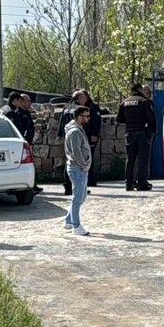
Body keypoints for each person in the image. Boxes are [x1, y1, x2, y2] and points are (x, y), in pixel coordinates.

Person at [117, 83, 156, 191]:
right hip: (142, 133)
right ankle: (141, 182)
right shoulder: (143, 101)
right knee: (143, 159)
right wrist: (153, 131)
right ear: (139, 89)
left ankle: (128, 183)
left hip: (129, 133)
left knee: (130, 159)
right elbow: (151, 119)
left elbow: (119, 119)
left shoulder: (124, 102)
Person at [4, 92, 43, 194]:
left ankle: (33, 185)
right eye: (28, 101)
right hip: (22, 142)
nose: (30, 103)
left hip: (28, 140)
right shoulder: (16, 113)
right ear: (20, 102)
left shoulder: (26, 112)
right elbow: (19, 128)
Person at [62, 105, 92, 236]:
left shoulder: (76, 129)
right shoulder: (74, 132)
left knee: (81, 196)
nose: (88, 119)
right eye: (86, 116)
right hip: (78, 168)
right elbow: (76, 152)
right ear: (79, 117)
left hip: (78, 168)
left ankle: (68, 221)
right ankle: (76, 225)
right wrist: (84, 165)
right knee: (77, 198)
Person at [56, 89, 90, 195]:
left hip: (67, 135)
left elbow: (61, 121)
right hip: (76, 135)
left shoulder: (67, 107)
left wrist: (59, 134)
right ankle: (78, 186)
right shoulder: (79, 110)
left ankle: (67, 186)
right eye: (84, 98)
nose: (86, 100)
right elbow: (83, 124)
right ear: (79, 99)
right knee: (77, 160)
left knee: (69, 161)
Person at [83, 91, 103, 187]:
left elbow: (96, 121)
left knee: (89, 157)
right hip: (84, 135)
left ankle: (90, 179)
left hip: (90, 135)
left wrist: (94, 134)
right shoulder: (82, 107)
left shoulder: (92, 107)